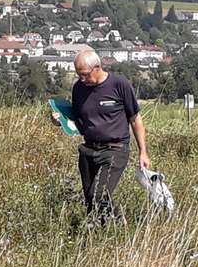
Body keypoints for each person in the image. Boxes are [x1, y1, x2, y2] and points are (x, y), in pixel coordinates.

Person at [50, 53, 150, 220]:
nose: (82, 79)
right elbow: (75, 118)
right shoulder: (78, 89)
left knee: (99, 194)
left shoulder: (119, 85)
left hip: (115, 150)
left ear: (97, 68)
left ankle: (118, 222)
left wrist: (143, 152)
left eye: (85, 74)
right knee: (90, 200)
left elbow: (135, 119)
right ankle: (100, 233)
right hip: (88, 150)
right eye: (78, 74)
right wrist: (58, 120)